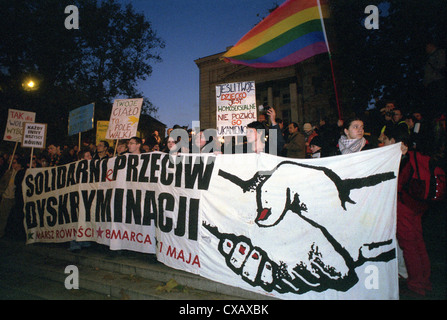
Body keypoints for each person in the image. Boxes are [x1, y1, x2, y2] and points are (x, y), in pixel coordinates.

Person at [381, 127, 432, 296]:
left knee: (409, 245)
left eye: (386, 140)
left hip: (404, 206)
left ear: (393, 141)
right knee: (418, 242)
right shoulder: (415, 155)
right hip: (418, 205)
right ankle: (425, 279)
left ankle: (416, 282)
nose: (384, 143)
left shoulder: (401, 158)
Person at [0, 156, 26, 238]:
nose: (12, 164)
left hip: (15, 199)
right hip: (7, 197)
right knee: (3, 217)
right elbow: (2, 183)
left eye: (14, 163)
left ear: (19, 164)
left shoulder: (23, 173)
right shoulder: (9, 172)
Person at [424, 40, 446, 119]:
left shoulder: (440, 53)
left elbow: (440, 65)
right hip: (431, 83)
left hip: (438, 81)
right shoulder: (429, 57)